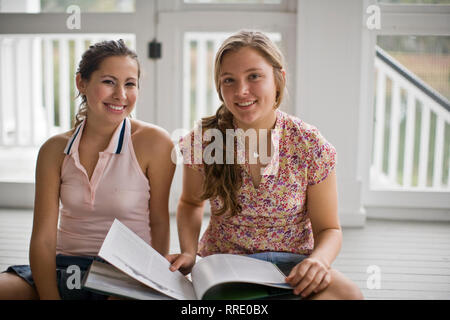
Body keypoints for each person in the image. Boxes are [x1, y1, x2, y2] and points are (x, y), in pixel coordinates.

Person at [167, 30, 363, 300]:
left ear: (278, 79)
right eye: (229, 80)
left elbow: (329, 229)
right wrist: (189, 251)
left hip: (292, 266)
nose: (241, 91)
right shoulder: (204, 141)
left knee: (349, 295)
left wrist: (318, 261)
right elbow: (190, 203)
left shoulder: (309, 144)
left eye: (254, 76)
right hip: (227, 268)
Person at [0, 40, 175, 300]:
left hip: (128, 274)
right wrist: (50, 297)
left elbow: (159, 223)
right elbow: (43, 240)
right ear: (81, 83)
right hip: (64, 269)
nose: (121, 95)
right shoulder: (53, 150)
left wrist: (148, 283)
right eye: (108, 82)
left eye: (130, 83)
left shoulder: (156, 142)